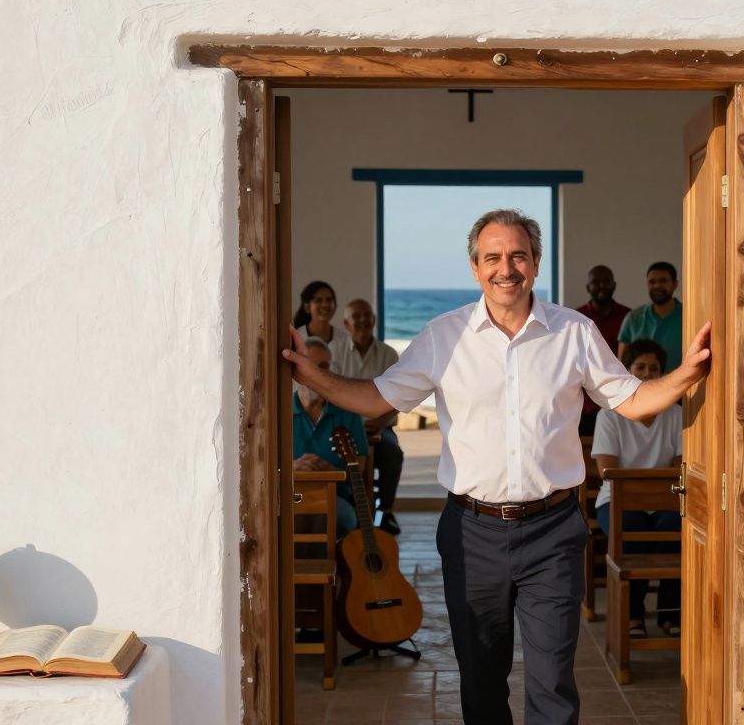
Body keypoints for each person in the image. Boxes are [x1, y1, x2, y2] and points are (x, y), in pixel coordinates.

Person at [283, 209, 711, 725]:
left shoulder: (574, 332)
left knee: (553, 682)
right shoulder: (443, 336)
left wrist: (687, 373)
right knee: (482, 682)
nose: (505, 268)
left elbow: (633, 400)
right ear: (474, 267)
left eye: (517, 256)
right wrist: (311, 374)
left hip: (553, 531)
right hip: (472, 534)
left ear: (535, 263)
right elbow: (376, 399)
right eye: (493, 257)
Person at [591, 339, 682, 638]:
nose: (646, 374)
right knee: (631, 533)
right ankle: (633, 616)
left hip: (666, 501)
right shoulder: (609, 414)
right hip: (617, 500)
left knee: (676, 531)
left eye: (654, 368)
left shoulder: (675, 414)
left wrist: (649, 484)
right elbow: (607, 470)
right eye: (640, 367)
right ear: (627, 372)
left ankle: (670, 614)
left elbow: (680, 468)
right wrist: (654, 481)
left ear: (662, 373)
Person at [330, 298, 405, 535]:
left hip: (379, 428)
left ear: (374, 320)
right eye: (356, 316)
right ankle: (347, 507)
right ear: (346, 323)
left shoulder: (388, 355)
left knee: (393, 454)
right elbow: (330, 392)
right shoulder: (334, 352)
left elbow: (399, 396)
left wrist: (381, 422)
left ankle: (387, 512)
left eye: (367, 315)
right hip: (342, 428)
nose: (362, 320)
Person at [291, 337, 367, 539]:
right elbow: (262, 469)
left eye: (322, 367)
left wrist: (332, 472)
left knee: (338, 519)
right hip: (291, 496)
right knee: (284, 520)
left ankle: (328, 561)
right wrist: (293, 468)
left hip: (336, 496)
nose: (315, 374)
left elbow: (359, 468)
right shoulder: (277, 412)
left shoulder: (348, 412)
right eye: (308, 366)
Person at [574, 265, 631, 436]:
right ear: (588, 287)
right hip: (584, 406)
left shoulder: (628, 317)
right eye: (596, 282)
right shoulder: (576, 320)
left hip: (619, 401)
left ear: (614, 285)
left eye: (606, 281)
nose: (601, 286)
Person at [617, 262, 683, 373]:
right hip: (640, 384)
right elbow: (621, 365)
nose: (657, 286)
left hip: (681, 383)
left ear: (675, 284)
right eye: (652, 282)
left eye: (663, 281)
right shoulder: (633, 318)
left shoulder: (687, 317)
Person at [293, 280, 352, 354]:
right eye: (318, 300)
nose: (325, 305)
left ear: (335, 306)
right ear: (307, 307)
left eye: (329, 300)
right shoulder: (296, 338)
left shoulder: (345, 340)